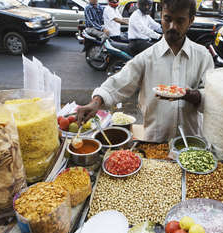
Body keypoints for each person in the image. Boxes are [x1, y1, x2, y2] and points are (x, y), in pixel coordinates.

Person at [77, 0, 214, 143]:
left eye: (180, 21)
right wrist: (96, 101)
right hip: (155, 141)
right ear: (161, 16)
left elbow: (212, 97)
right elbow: (119, 82)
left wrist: (192, 95)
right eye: (167, 19)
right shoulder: (146, 57)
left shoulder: (203, 56)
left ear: (191, 21)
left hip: (190, 142)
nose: (172, 26)